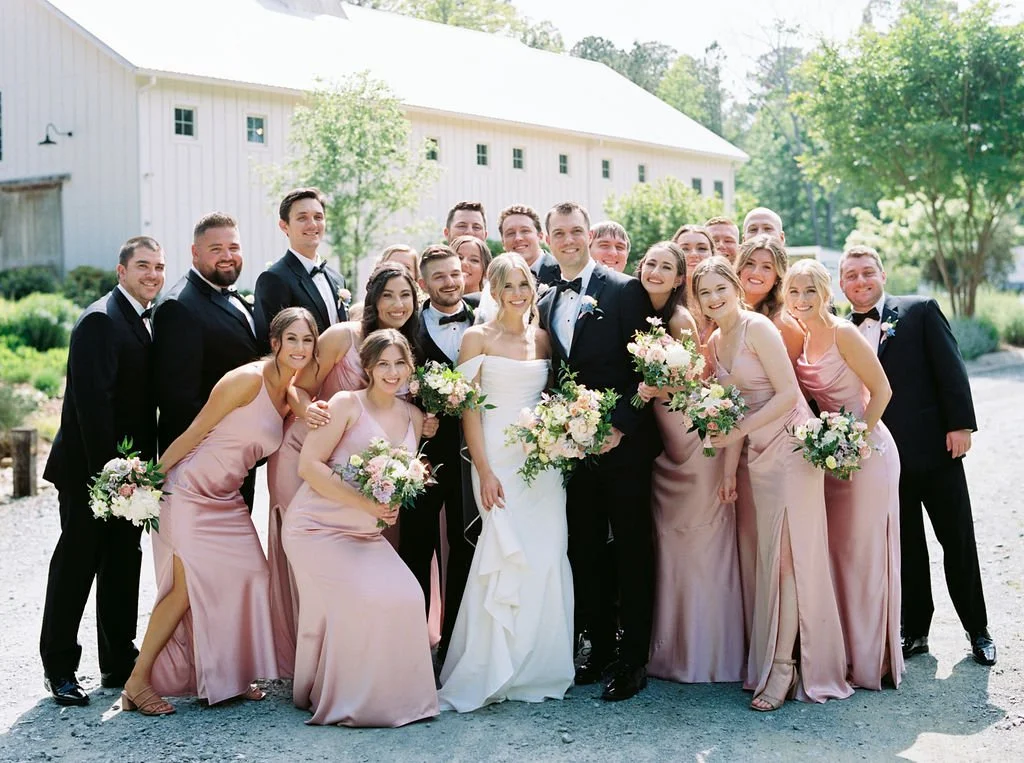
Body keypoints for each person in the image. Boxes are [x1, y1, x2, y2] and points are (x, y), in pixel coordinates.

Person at [120, 308, 317, 715]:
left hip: (226, 499)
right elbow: (194, 431)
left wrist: (300, 403)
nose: (300, 347)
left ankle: (229, 674)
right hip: (190, 492)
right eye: (292, 339)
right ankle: (136, 684)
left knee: (253, 574)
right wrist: (150, 479)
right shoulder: (245, 380)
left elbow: (298, 401)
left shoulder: (291, 390)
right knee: (184, 590)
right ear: (275, 342)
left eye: (308, 339)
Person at [694, 256, 852, 711]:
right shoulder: (715, 342)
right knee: (771, 556)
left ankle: (784, 665)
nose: (714, 298)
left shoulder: (757, 328)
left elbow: (787, 394)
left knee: (787, 558)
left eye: (720, 287)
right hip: (757, 457)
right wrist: (727, 472)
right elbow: (724, 411)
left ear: (736, 287)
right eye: (704, 292)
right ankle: (775, 658)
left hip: (791, 446)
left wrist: (738, 433)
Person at [839, 245, 995, 666]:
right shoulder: (838, 328)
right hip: (882, 461)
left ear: (883, 274)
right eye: (850, 275)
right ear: (840, 283)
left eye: (867, 272)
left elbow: (951, 367)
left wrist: (960, 424)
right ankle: (915, 632)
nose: (860, 281)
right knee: (905, 546)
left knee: (957, 541)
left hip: (936, 451)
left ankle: (977, 630)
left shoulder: (920, 310)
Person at [266, 264, 421, 676]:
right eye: (388, 295)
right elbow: (298, 384)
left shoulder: (408, 345)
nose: (396, 304)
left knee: (365, 568)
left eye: (405, 295)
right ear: (372, 298)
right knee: (311, 563)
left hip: (369, 469)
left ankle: (363, 659)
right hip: (313, 443)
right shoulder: (344, 335)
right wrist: (308, 410)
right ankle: (306, 661)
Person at [439, 254, 574, 711]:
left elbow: (551, 396)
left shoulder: (542, 339)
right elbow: (468, 407)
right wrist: (485, 469)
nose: (518, 293)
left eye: (524, 285)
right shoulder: (477, 338)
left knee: (549, 549)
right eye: (508, 286)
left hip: (543, 462)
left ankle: (540, 665)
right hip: (497, 458)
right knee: (504, 553)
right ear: (494, 291)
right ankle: (492, 665)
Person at [285, 329, 439, 727]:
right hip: (316, 528)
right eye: (383, 364)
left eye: (399, 363)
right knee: (365, 598)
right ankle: (348, 698)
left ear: (410, 368)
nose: (392, 372)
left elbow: (401, 477)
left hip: (365, 535)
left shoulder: (415, 417)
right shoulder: (345, 404)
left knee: (407, 595)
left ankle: (402, 698)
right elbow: (308, 467)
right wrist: (366, 503)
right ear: (367, 367)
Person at [538, 201, 658, 702]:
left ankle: (634, 660)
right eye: (559, 233)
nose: (568, 240)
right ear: (548, 241)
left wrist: (622, 426)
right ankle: (601, 648)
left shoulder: (625, 289)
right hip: (572, 448)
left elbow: (649, 365)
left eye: (576, 231)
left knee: (631, 550)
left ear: (589, 235)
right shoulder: (544, 301)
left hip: (624, 445)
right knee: (583, 547)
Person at [39, 237, 166, 706]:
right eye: (143, 266)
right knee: (76, 567)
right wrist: (111, 480)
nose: (152, 274)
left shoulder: (144, 319)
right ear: (121, 271)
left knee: (122, 564)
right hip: (90, 472)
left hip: (128, 474)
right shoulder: (100, 319)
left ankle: (117, 661)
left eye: (159, 267)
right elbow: (92, 410)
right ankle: (60, 668)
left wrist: (135, 478)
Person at [785, 259, 903, 689]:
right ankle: (845, 654)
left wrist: (854, 441)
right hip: (830, 457)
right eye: (794, 292)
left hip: (868, 453)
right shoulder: (799, 339)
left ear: (825, 292)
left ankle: (872, 660)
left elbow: (883, 391)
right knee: (837, 556)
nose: (802, 300)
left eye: (809, 291)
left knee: (864, 556)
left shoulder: (843, 333)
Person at [634, 242, 745, 684]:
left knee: (700, 547)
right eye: (651, 264)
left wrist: (655, 389)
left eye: (668, 267)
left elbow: (692, 381)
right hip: (666, 449)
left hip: (692, 444)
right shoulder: (637, 308)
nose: (657, 271)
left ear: (681, 279)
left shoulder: (680, 320)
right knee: (673, 550)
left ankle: (710, 652)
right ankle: (673, 648)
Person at [399, 246, 478, 662]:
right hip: (423, 453)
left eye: (455, 273)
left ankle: (455, 644)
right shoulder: (407, 327)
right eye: (440, 277)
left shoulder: (485, 317)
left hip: (472, 454)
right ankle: (412, 642)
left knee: (465, 544)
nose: (450, 282)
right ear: (424, 284)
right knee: (417, 544)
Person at [153, 213, 261, 510]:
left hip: (239, 454)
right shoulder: (179, 307)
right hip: (207, 461)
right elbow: (180, 401)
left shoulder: (234, 297)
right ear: (195, 252)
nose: (228, 256)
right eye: (216, 249)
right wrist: (222, 449)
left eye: (234, 247)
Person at [731, 234, 804, 653]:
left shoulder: (784, 324)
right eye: (749, 264)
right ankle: (756, 645)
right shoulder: (729, 318)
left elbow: (795, 392)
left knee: (782, 551)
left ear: (778, 275)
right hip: (743, 449)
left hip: (780, 442)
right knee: (754, 547)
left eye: (766, 267)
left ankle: (786, 656)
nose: (756, 273)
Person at [253, 187, 349, 352]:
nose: (312, 224)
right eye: (302, 217)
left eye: (318, 217)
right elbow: (269, 346)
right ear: (284, 226)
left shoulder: (337, 278)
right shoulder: (274, 279)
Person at [347, 244, 420, 322]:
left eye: (406, 267)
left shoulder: (424, 315)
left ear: (416, 275)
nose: (399, 271)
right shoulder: (358, 313)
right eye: (392, 264)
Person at [497, 204, 560, 286]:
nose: (518, 238)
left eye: (525, 231)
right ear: (503, 242)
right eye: (510, 233)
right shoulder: (497, 279)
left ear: (540, 236)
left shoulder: (561, 272)